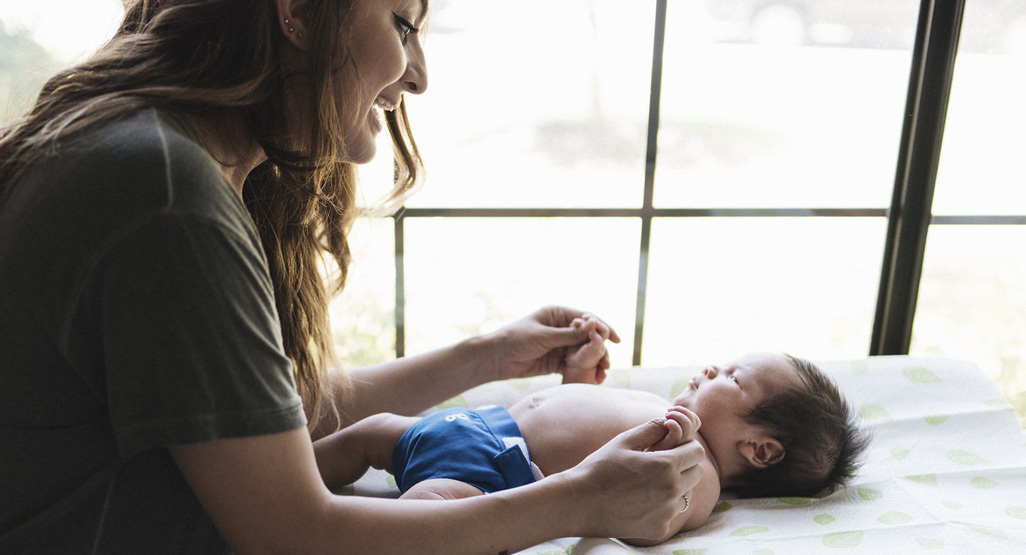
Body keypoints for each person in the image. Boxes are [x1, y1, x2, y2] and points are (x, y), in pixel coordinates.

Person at [0, 0, 705, 553]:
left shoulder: (161, 157)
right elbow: (293, 537)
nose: (419, 73)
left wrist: (486, 355)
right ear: (299, 11)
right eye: (402, 23)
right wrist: (581, 499)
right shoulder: (168, 197)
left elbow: (274, 416)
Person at [314, 335, 871, 547]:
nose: (710, 368)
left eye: (732, 377)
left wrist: (669, 452)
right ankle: (270, 494)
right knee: (370, 432)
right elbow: (575, 427)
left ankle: (319, 533)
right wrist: (576, 379)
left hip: (492, 474)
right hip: (472, 427)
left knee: (425, 519)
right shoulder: (666, 408)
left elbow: (654, 505)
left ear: (761, 449)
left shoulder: (693, 466)